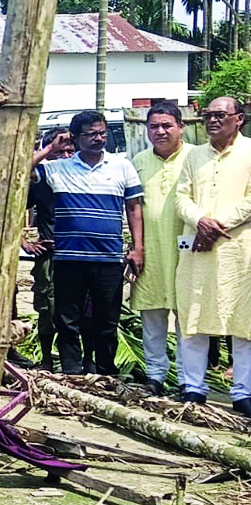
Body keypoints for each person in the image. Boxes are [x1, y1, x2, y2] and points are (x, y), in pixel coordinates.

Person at [32, 110, 144, 376]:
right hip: (69, 258)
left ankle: (106, 369)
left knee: (106, 318)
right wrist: (49, 149)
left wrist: (138, 248)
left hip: (108, 259)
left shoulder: (122, 166)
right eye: (91, 134)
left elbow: (134, 208)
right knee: (67, 319)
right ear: (75, 137)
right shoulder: (58, 168)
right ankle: (72, 368)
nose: (98, 138)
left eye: (102, 133)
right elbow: (17, 169)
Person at [174, 96, 251, 415]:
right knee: (193, 315)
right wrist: (200, 221)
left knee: (243, 321)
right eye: (207, 115)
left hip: (238, 250)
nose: (212, 121)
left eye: (220, 115)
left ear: (239, 119)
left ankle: (243, 392)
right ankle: (193, 387)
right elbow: (180, 197)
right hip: (198, 247)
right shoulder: (194, 156)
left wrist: (217, 224)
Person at [131, 102, 194, 393]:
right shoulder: (139, 161)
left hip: (188, 251)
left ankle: (187, 379)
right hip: (151, 251)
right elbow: (132, 208)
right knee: (152, 315)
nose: (160, 131)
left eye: (167, 125)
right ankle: (156, 375)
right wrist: (135, 247)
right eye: (154, 126)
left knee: (187, 317)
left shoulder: (196, 157)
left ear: (181, 127)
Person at [27, 128, 74, 370]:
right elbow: (21, 172)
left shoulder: (82, 175)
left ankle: (74, 361)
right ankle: (46, 359)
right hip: (50, 254)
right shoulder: (43, 177)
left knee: (77, 309)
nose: (65, 155)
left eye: (70, 150)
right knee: (47, 307)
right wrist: (25, 242)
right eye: (60, 150)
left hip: (77, 254)